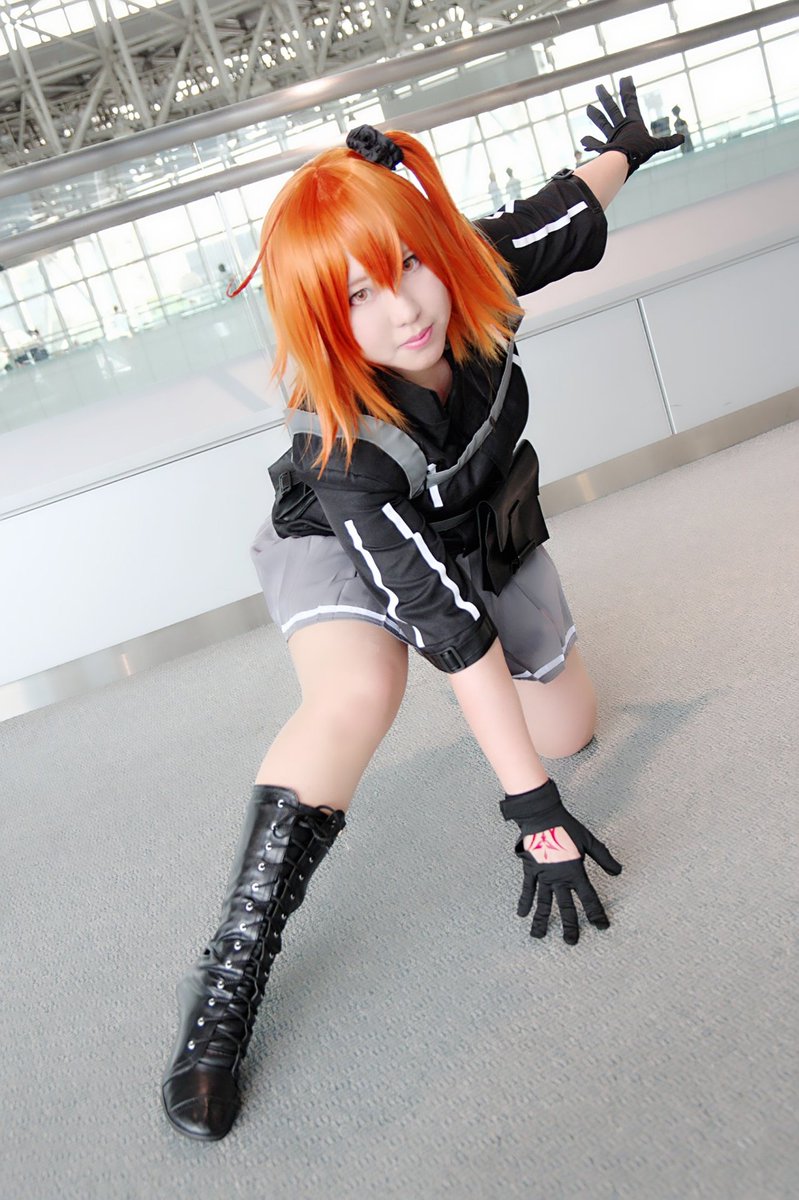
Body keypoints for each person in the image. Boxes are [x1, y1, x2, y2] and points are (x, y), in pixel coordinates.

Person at [161, 76, 683, 1142]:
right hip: (342, 546)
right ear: (322, 317)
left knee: (567, 725)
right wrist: (532, 812)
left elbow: (563, 209)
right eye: (356, 295)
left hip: (474, 526)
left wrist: (623, 152)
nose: (401, 310)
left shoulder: (470, 275)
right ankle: (230, 973)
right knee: (360, 692)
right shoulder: (342, 449)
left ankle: (505, 720)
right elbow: (453, 633)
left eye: (406, 266)